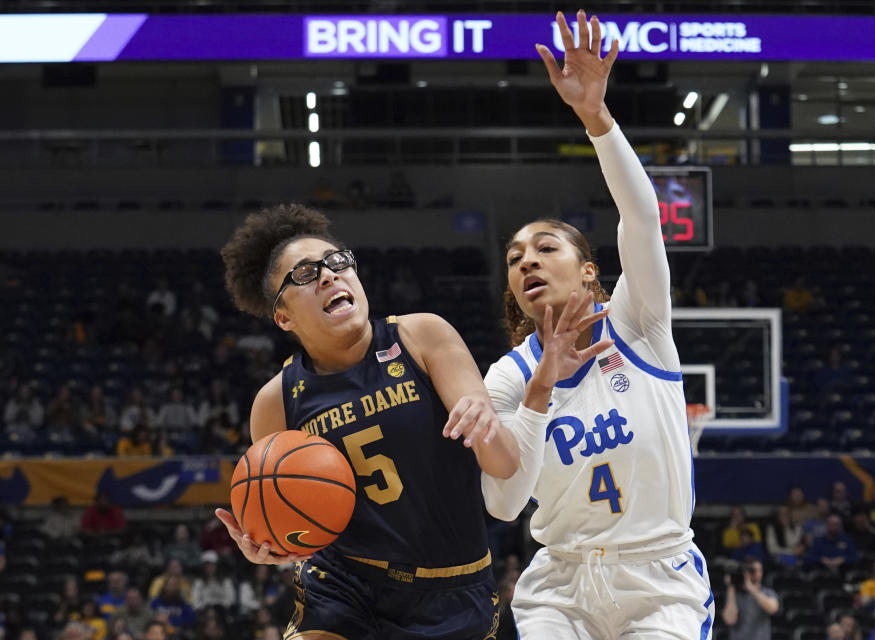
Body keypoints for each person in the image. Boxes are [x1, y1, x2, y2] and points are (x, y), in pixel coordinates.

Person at [215, 197, 592, 638]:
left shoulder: (422, 335)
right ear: (282, 316)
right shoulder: (276, 400)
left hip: (454, 587)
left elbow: (506, 468)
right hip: (344, 583)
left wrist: (484, 423)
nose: (329, 274)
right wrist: (274, 543)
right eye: (304, 274)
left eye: (337, 261)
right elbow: (291, 520)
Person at [479, 11, 713, 637]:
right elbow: (500, 505)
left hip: (658, 581)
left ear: (588, 273)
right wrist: (538, 393)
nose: (526, 259)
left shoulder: (637, 323)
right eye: (514, 258)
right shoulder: (507, 376)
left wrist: (597, 120)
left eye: (546, 248)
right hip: (560, 585)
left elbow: (642, 219)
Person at [721, 557, 779, 640]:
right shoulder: (734, 595)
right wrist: (731, 587)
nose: (757, 573)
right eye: (753, 570)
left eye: (759, 570)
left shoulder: (767, 592)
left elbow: (773, 609)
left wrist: (751, 588)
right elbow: (729, 620)